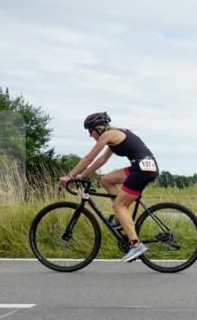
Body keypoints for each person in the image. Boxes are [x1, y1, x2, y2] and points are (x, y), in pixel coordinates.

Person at [59, 112, 159, 262]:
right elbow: (102, 160)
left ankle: (136, 245)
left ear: (98, 128)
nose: (90, 135)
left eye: (90, 131)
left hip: (141, 170)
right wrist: (82, 175)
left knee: (118, 206)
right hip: (142, 167)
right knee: (106, 180)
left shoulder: (108, 135)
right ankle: (123, 218)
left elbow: (88, 158)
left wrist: (70, 176)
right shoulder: (115, 135)